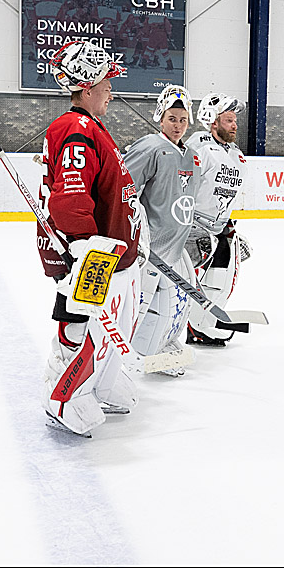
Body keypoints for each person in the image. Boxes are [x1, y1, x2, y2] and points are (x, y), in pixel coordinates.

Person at [38, 39, 143, 437]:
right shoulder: (75, 128)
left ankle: (100, 382)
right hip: (91, 251)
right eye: (106, 84)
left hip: (112, 251)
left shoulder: (93, 128)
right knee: (84, 322)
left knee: (113, 321)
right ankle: (65, 396)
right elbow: (70, 192)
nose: (110, 92)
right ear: (86, 88)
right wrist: (82, 241)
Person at [124, 85, 200, 376]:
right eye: (172, 119)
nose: (178, 125)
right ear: (160, 117)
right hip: (152, 247)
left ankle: (162, 346)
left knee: (175, 305)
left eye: (182, 120)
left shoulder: (191, 154)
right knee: (141, 305)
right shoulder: (150, 146)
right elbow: (124, 187)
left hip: (176, 246)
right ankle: (128, 354)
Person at [184, 93, 252, 346]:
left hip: (219, 227)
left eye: (235, 120)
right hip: (193, 226)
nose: (235, 125)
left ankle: (203, 324)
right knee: (181, 281)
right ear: (212, 121)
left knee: (222, 277)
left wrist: (229, 225)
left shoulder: (235, 154)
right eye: (229, 120)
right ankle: (177, 322)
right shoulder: (198, 147)